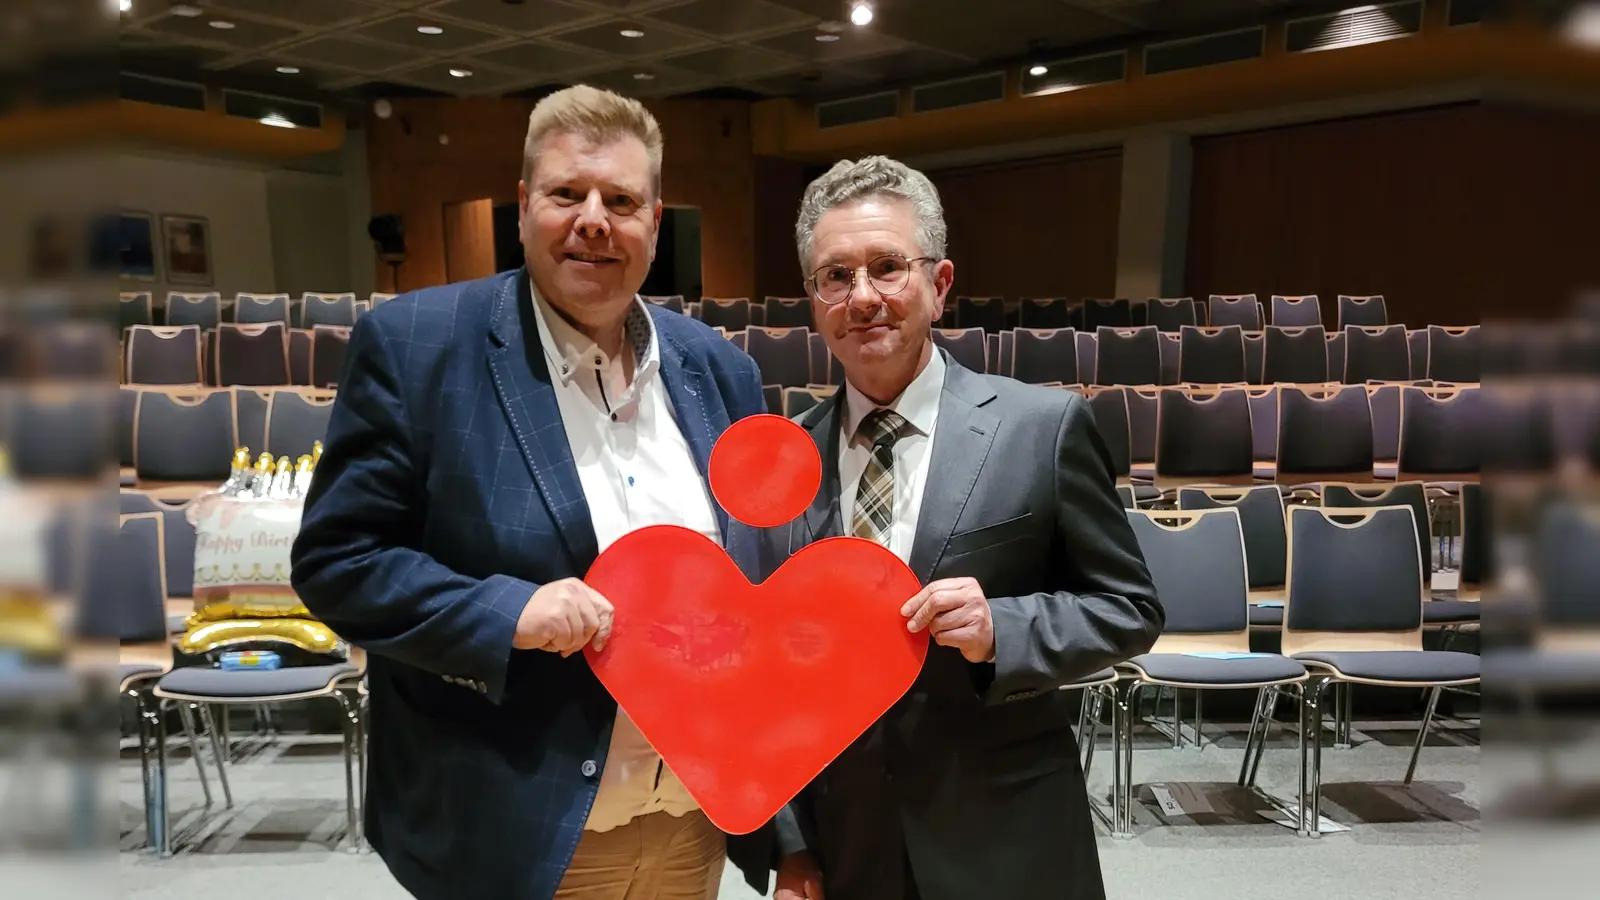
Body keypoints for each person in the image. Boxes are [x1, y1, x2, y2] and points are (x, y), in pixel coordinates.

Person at [290, 85, 773, 900]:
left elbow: (759, 585)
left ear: (655, 220)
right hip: (515, 827)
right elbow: (339, 562)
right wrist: (504, 612)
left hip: (691, 822)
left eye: (621, 200)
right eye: (566, 194)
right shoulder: (418, 347)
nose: (594, 219)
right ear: (523, 207)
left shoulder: (720, 370)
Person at [768, 156, 1164, 900]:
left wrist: (1002, 630)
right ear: (813, 299)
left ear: (939, 284)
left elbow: (1129, 608)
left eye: (888, 267)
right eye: (835, 277)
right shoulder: (785, 465)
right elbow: (771, 677)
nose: (863, 298)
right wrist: (788, 847)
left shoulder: (1041, 429)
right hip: (846, 850)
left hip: (1004, 842)